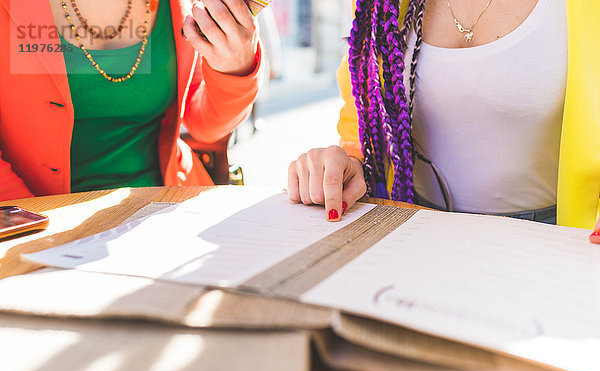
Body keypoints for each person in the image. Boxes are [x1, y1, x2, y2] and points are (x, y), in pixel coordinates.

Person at [287, 0, 600, 240]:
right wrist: (346, 166)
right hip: (407, 237)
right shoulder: (384, 6)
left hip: (552, 243)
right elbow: (365, 121)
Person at [0, 0, 262, 200]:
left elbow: (204, 126)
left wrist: (234, 68)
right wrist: (35, 226)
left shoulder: (180, 5)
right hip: (38, 228)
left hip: (168, 208)